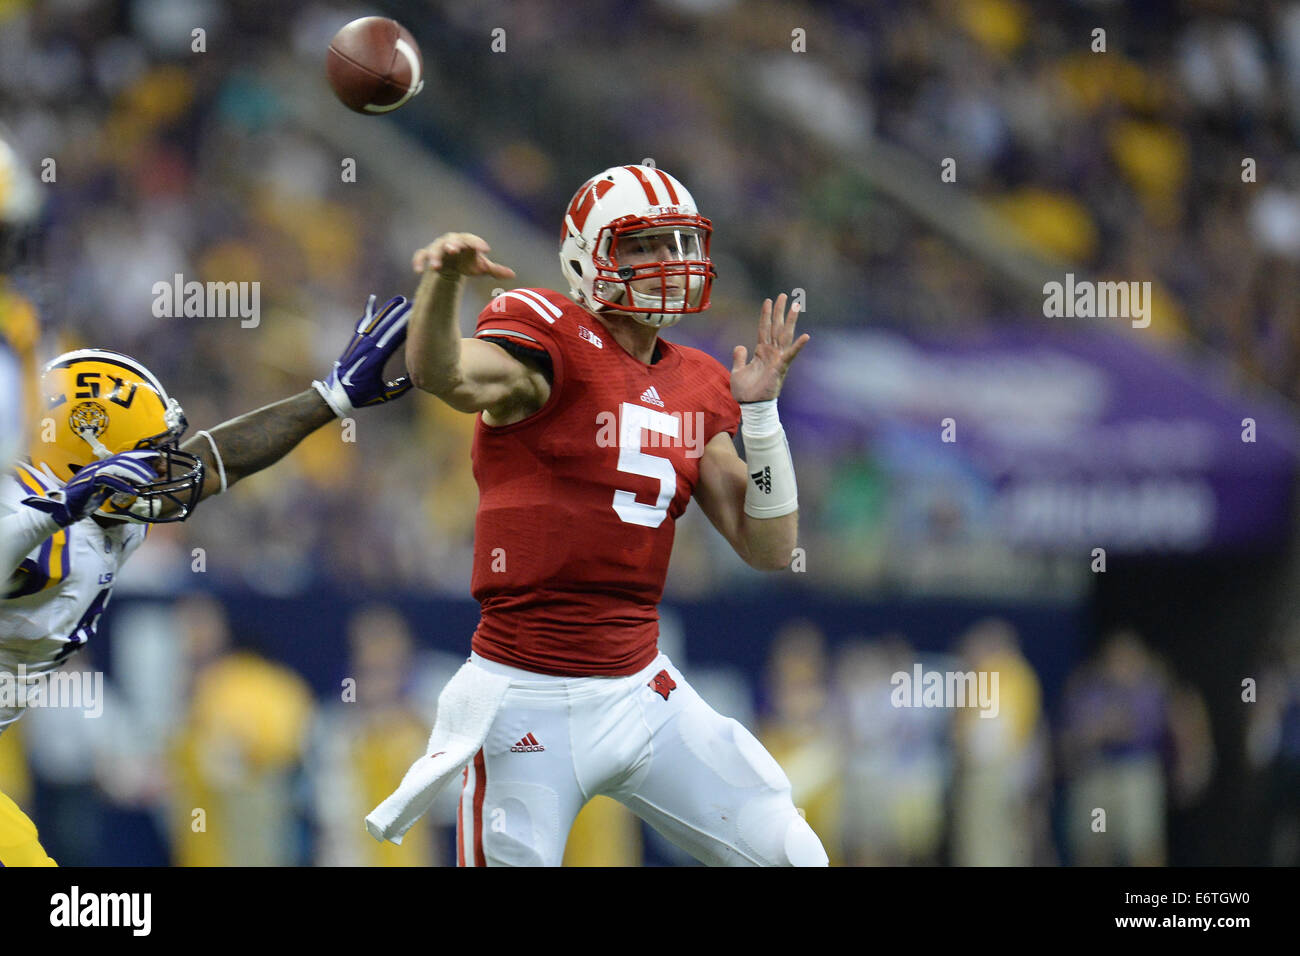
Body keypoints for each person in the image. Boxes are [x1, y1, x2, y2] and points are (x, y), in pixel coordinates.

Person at [397, 163, 826, 866]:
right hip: (525, 696)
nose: (668, 263)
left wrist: (761, 416)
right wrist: (443, 283)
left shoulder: (698, 380)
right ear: (587, 255)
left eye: (676, 244)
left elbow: (770, 548)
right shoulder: (546, 337)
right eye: (643, 247)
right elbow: (441, 373)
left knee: (789, 852)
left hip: (640, 688)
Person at [0, 294, 413, 866]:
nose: (168, 468)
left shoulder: (108, 512)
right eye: (151, 454)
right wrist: (48, 514)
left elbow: (218, 461)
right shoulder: (27, 511)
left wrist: (331, 399)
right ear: (88, 453)